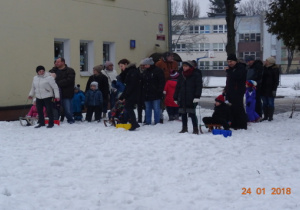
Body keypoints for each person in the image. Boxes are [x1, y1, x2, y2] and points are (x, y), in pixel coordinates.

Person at [173, 61, 203, 134]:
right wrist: (175, 97)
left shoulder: (196, 74)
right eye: (183, 66)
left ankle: (195, 129)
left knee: (192, 114)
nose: (184, 68)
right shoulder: (181, 75)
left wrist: (197, 96)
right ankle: (184, 128)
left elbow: (199, 86)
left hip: (192, 97)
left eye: (186, 66)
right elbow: (178, 87)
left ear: (190, 67)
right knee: (183, 113)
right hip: (182, 97)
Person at [224, 54, 248, 130]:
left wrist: (228, 71)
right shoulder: (231, 69)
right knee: (230, 108)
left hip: (238, 91)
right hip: (230, 91)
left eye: (231, 61)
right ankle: (233, 123)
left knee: (238, 108)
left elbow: (237, 76)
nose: (229, 63)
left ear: (235, 61)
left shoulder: (241, 67)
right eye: (228, 61)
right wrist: (226, 88)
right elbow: (229, 81)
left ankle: (242, 124)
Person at [49, 57, 76, 124]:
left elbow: (69, 80)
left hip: (66, 93)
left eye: (58, 62)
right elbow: (48, 78)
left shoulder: (70, 70)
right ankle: (56, 119)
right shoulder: (53, 70)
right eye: (56, 62)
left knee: (67, 109)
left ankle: (70, 120)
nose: (56, 63)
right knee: (55, 107)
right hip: (55, 93)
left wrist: (57, 83)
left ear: (63, 62)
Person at [118, 59, 141, 131]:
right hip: (132, 92)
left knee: (128, 107)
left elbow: (130, 85)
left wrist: (125, 95)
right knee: (129, 107)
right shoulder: (130, 71)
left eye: (121, 66)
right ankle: (134, 122)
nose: (121, 68)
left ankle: (134, 123)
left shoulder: (132, 72)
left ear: (125, 64)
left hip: (133, 93)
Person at [141, 57, 165, 125]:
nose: (144, 66)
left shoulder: (158, 71)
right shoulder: (145, 72)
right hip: (147, 93)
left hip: (156, 93)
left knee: (156, 108)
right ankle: (148, 121)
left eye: (145, 65)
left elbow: (161, 82)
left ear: (149, 64)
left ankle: (157, 122)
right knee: (148, 108)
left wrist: (159, 91)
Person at [261, 56, 280, 121]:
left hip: (271, 89)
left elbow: (276, 80)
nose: (265, 62)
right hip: (263, 88)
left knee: (270, 103)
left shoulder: (275, 69)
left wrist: (274, 89)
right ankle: (265, 116)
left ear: (270, 62)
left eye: (267, 61)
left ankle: (270, 116)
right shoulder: (264, 68)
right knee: (264, 103)